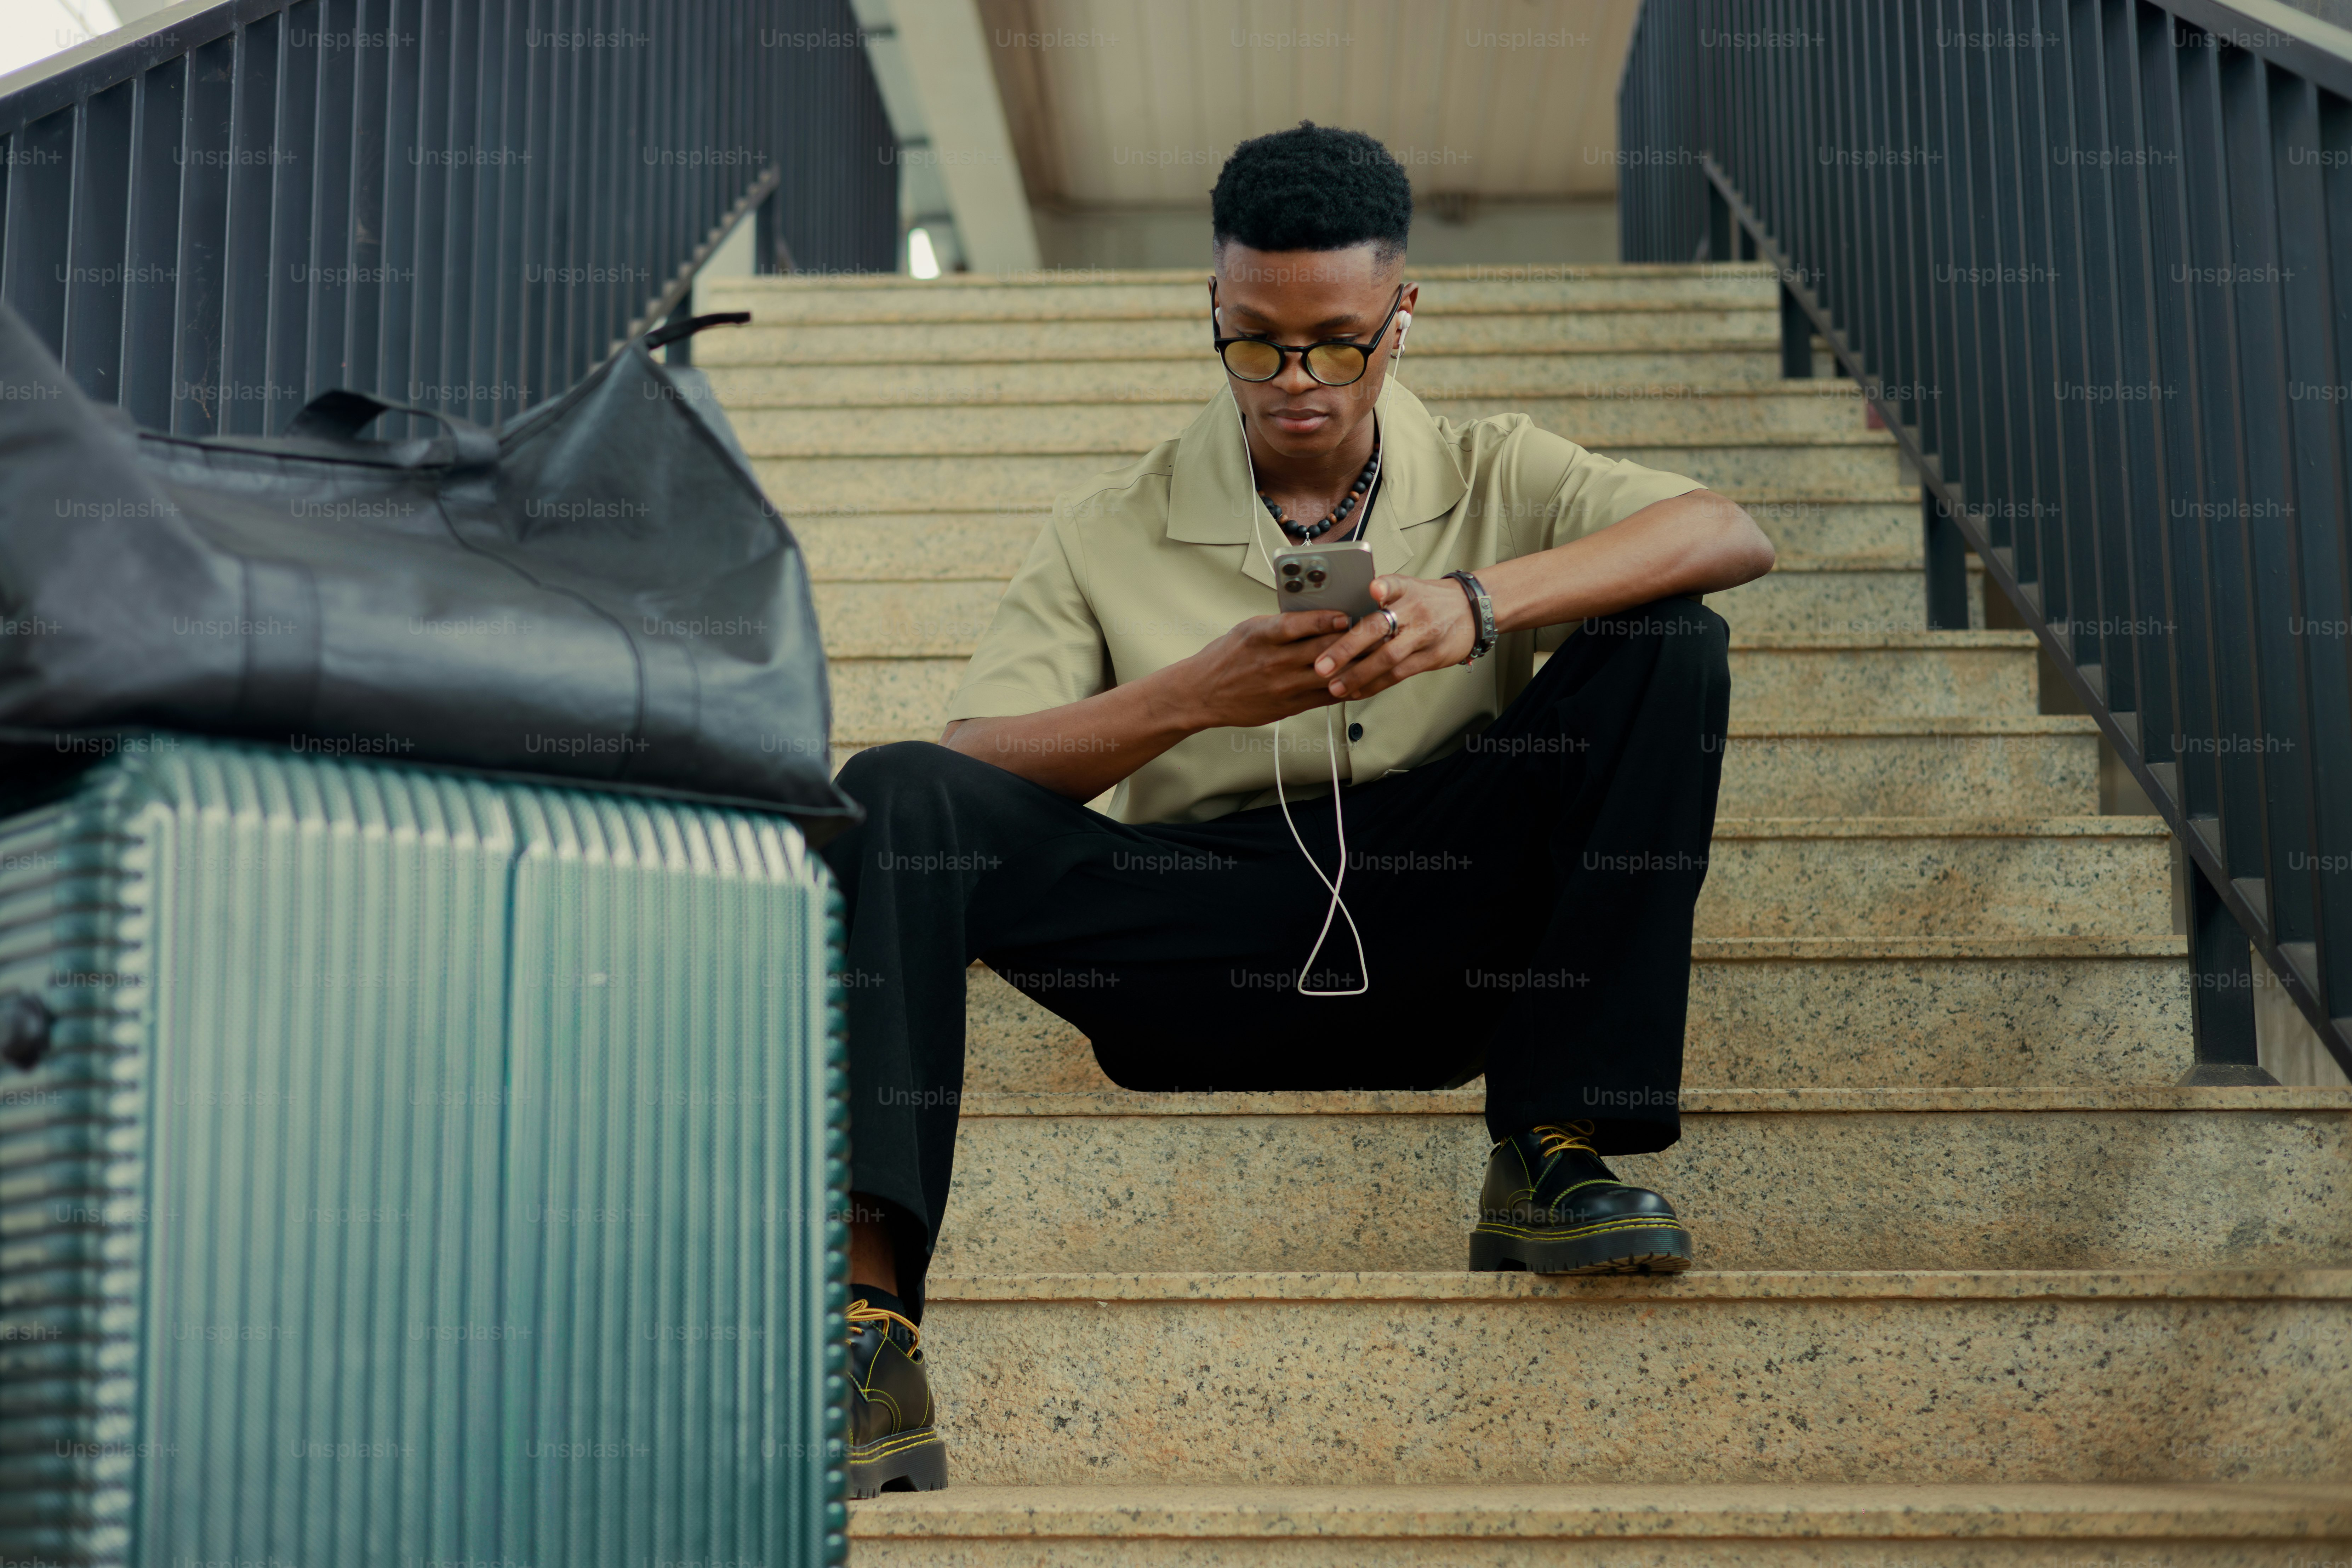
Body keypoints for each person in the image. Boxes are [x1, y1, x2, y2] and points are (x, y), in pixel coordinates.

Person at [823, 121, 1777, 1498]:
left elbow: (1726, 529)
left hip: (1453, 919)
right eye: (1253, 341)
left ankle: (1554, 1151)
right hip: (1193, 932)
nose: (1295, 383)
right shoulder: (1113, 519)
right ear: (1211, 313)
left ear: (1401, 317)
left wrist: (1479, 605)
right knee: (894, 790)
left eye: (1335, 340)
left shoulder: (1498, 467)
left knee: (1668, 636)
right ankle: (868, 1326)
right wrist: (1191, 698)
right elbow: (975, 760)